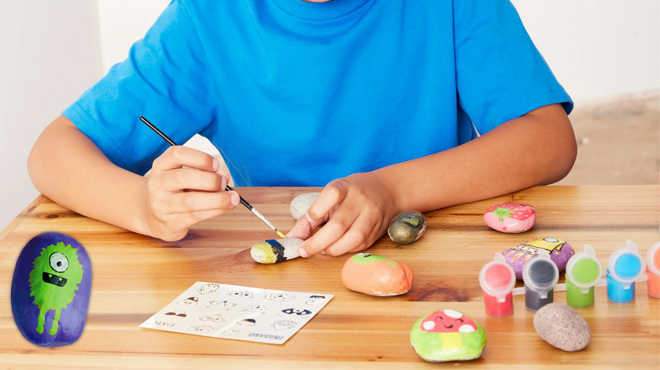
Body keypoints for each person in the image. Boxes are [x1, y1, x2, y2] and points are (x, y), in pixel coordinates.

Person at [28, 0, 577, 258]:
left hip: (430, 261)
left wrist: (394, 190)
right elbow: (53, 154)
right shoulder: (206, 19)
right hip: (277, 281)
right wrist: (145, 207)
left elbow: (548, 138)